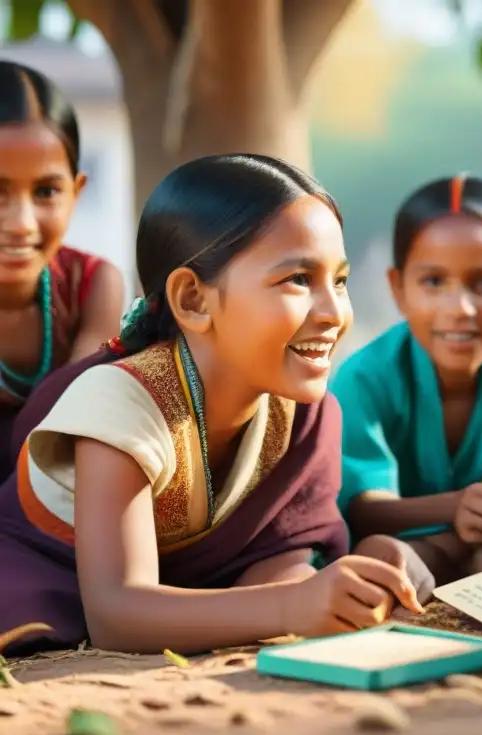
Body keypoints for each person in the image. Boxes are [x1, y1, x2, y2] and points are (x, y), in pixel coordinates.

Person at [0, 154, 421, 657]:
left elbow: (274, 564)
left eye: (340, 281)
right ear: (194, 300)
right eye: (298, 280)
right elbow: (117, 615)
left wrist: (360, 577)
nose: (333, 312)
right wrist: (291, 606)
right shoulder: (119, 404)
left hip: (187, 598)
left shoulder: (302, 413)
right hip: (55, 583)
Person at [328, 174, 482, 585]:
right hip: (406, 553)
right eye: (434, 282)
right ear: (398, 288)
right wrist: (454, 507)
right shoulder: (365, 378)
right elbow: (362, 508)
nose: (460, 308)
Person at [0, 61, 123, 478]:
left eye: (46, 191)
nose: (21, 223)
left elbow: (73, 422)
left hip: (50, 507)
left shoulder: (92, 286)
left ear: (77, 191)